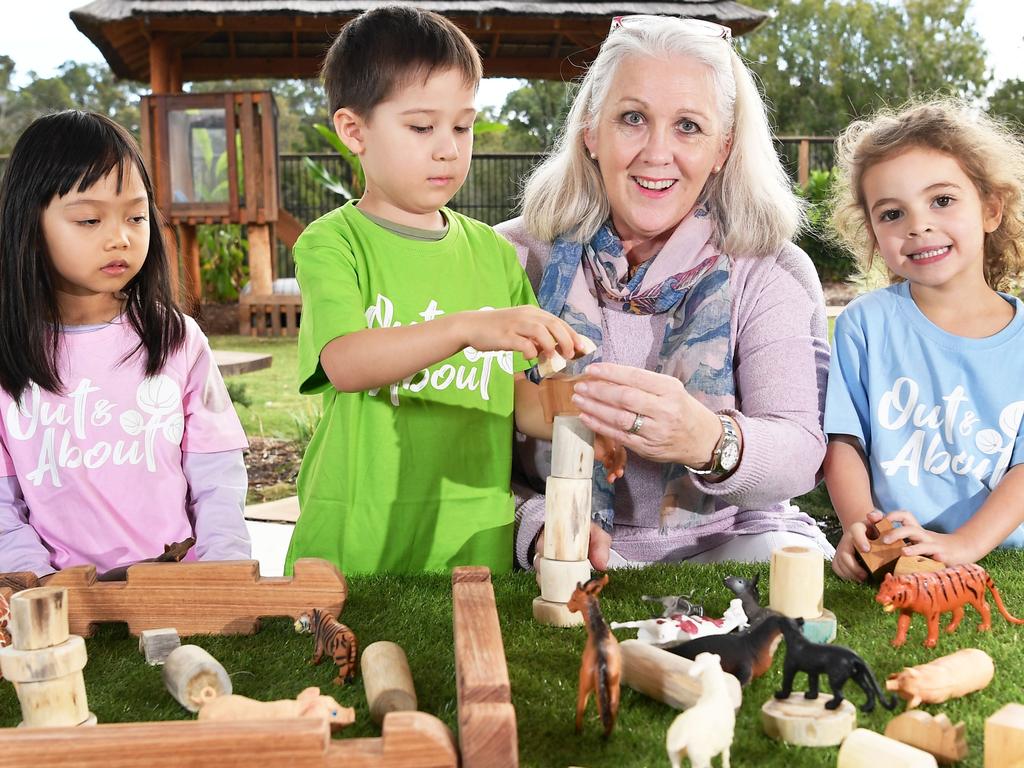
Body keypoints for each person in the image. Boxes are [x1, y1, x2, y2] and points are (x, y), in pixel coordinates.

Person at [283, 6, 619, 576]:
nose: (448, 148)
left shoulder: (491, 253)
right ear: (353, 130)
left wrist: (583, 419)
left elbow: (518, 396)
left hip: (470, 540)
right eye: (421, 127)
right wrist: (467, 327)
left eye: (461, 126)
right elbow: (345, 362)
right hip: (355, 539)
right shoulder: (333, 243)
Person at [496, 14, 833, 571]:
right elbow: (459, 440)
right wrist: (538, 527)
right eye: (633, 118)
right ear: (590, 132)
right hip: (562, 546)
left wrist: (708, 438)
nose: (657, 153)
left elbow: (801, 454)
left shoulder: (771, 270)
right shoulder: (510, 256)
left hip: (734, 543)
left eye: (688, 127)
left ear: (722, 148)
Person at [0, 110, 251, 578]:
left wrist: (224, 578)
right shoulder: (7, 356)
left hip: (178, 585)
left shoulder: (178, 339)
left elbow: (217, 481)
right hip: (58, 600)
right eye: (90, 219)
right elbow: (3, 514)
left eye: (136, 215)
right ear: (29, 226)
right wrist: (40, 590)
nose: (119, 238)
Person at [825, 100, 1024, 581]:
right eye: (892, 213)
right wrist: (861, 528)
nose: (918, 225)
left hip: (1006, 555)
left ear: (991, 210)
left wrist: (964, 545)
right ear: (873, 233)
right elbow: (844, 443)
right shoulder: (864, 325)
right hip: (899, 555)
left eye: (942, 200)